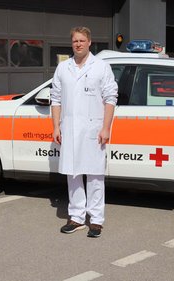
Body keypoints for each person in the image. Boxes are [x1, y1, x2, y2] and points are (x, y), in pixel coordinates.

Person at [50, 26, 118, 238]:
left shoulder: (101, 67)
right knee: (73, 173)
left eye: (81, 40)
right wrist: (56, 126)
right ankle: (77, 217)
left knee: (95, 175)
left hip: (94, 129)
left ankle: (96, 220)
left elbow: (110, 98)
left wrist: (106, 127)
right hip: (69, 128)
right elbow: (56, 98)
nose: (78, 44)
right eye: (74, 41)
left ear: (90, 42)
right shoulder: (63, 68)